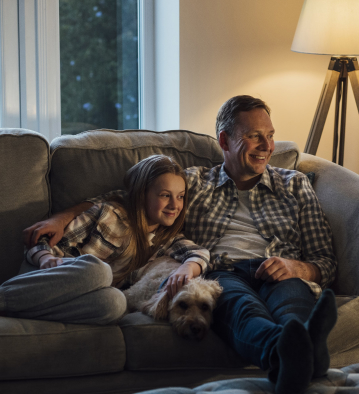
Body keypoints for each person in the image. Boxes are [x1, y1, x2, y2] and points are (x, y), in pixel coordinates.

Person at [23, 96, 337, 394]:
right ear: (224, 141)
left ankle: (300, 352)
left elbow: (324, 260)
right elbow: (129, 197)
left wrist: (297, 267)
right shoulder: (193, 183)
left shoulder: (294, 184)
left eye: (270, 135)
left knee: (294, 308)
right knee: (244, 313)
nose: (267, 146)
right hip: (222, 273)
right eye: (255, 136)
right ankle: (305, 357)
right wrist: (62, 218)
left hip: (282, 271)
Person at [2, 155, 209, 325]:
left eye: (180, 196)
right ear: (141, 194)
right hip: (46, 274)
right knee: (99, 271)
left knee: (116, 303)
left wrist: (188, 268)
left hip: (77, 296)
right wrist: (45, 257)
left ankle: (21, 308)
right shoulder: (109, 214)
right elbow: (41, 240)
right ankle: (5, 298)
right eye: (165, 195)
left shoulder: (167, 240)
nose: (175, 204)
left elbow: (200, 253)